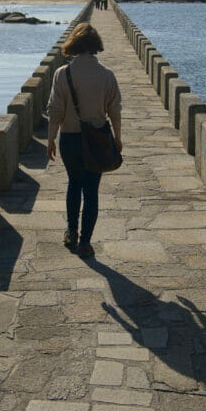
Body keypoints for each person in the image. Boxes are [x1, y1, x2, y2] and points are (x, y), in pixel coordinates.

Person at [46, 23, 122, 260]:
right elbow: (115, 110)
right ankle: (86, 243)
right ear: (95, 46)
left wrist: (50, 140)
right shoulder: (107, 75)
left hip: (69, 139)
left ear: (74, 44)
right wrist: (118, 138)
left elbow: (54, 111)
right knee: (91, 191)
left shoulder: (62, 74)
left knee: (73, 184)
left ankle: (71, 231)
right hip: (97, 140)